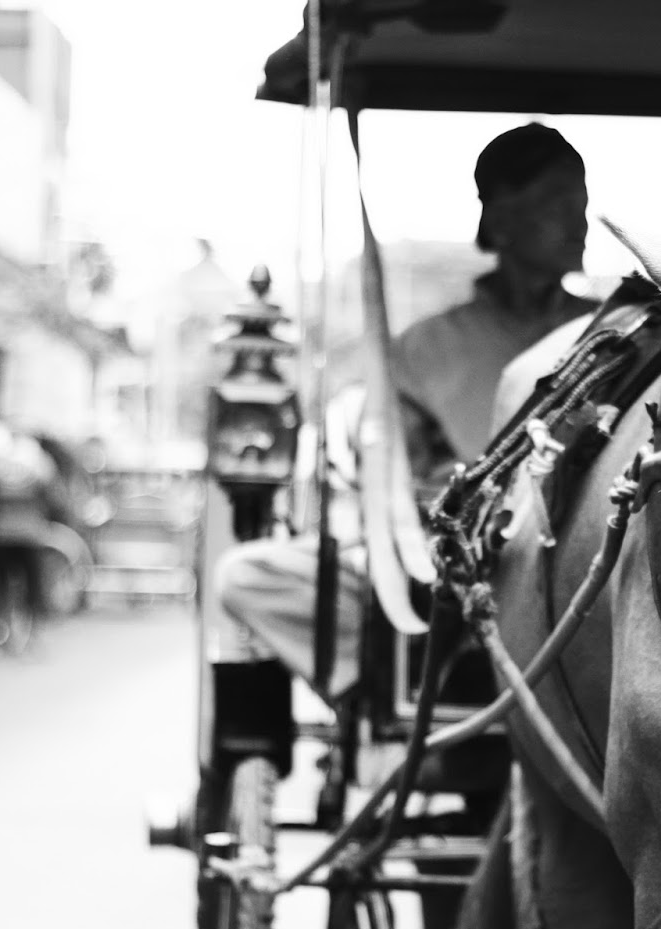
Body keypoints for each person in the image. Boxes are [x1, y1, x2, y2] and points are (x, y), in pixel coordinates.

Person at [214, 123, 599, 697]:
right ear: (501, 221)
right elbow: (396, 484)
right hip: (454, 573)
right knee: (245, 576)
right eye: (557, 204)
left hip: (582, 566)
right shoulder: (426, 351)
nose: (580, 224)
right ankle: (380, 692)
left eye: (582, 205)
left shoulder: (608, 335)